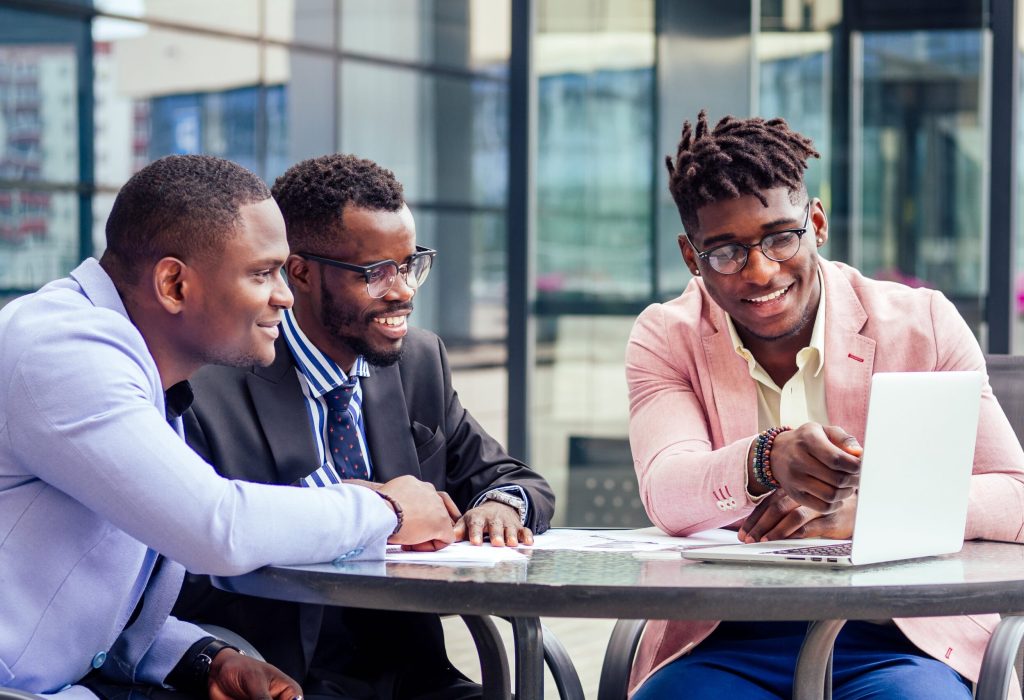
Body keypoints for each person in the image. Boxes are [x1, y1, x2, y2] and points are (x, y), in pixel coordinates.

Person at [0, 155, 455, 700]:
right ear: (174, 284)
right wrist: (390, 509)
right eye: (262, 273)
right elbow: (218, 527)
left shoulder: (134, 368)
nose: (285, 296)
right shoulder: (63, 350)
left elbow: (74, 594)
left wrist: (201, 660)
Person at [625, 111, 1024, 699]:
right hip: (724, 638)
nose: (760, 271)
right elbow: (668, 492)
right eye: (726, 252)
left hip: (896, 635)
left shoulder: (923, 323)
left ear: (816, 223)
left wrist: (878, 511)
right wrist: (766, 457)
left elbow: (1014, 491)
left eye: (780, 237)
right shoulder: (667, 335)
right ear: (692, 257)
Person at [172, 153, 555, 700]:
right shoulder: (211, 387)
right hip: (283, 679)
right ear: (299, 272)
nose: (402, 291)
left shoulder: (419, 362)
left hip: (417, 680)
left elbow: (515, 479)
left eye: (410, 264)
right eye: (376, 272)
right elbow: (187, 575)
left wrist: (501, 506)